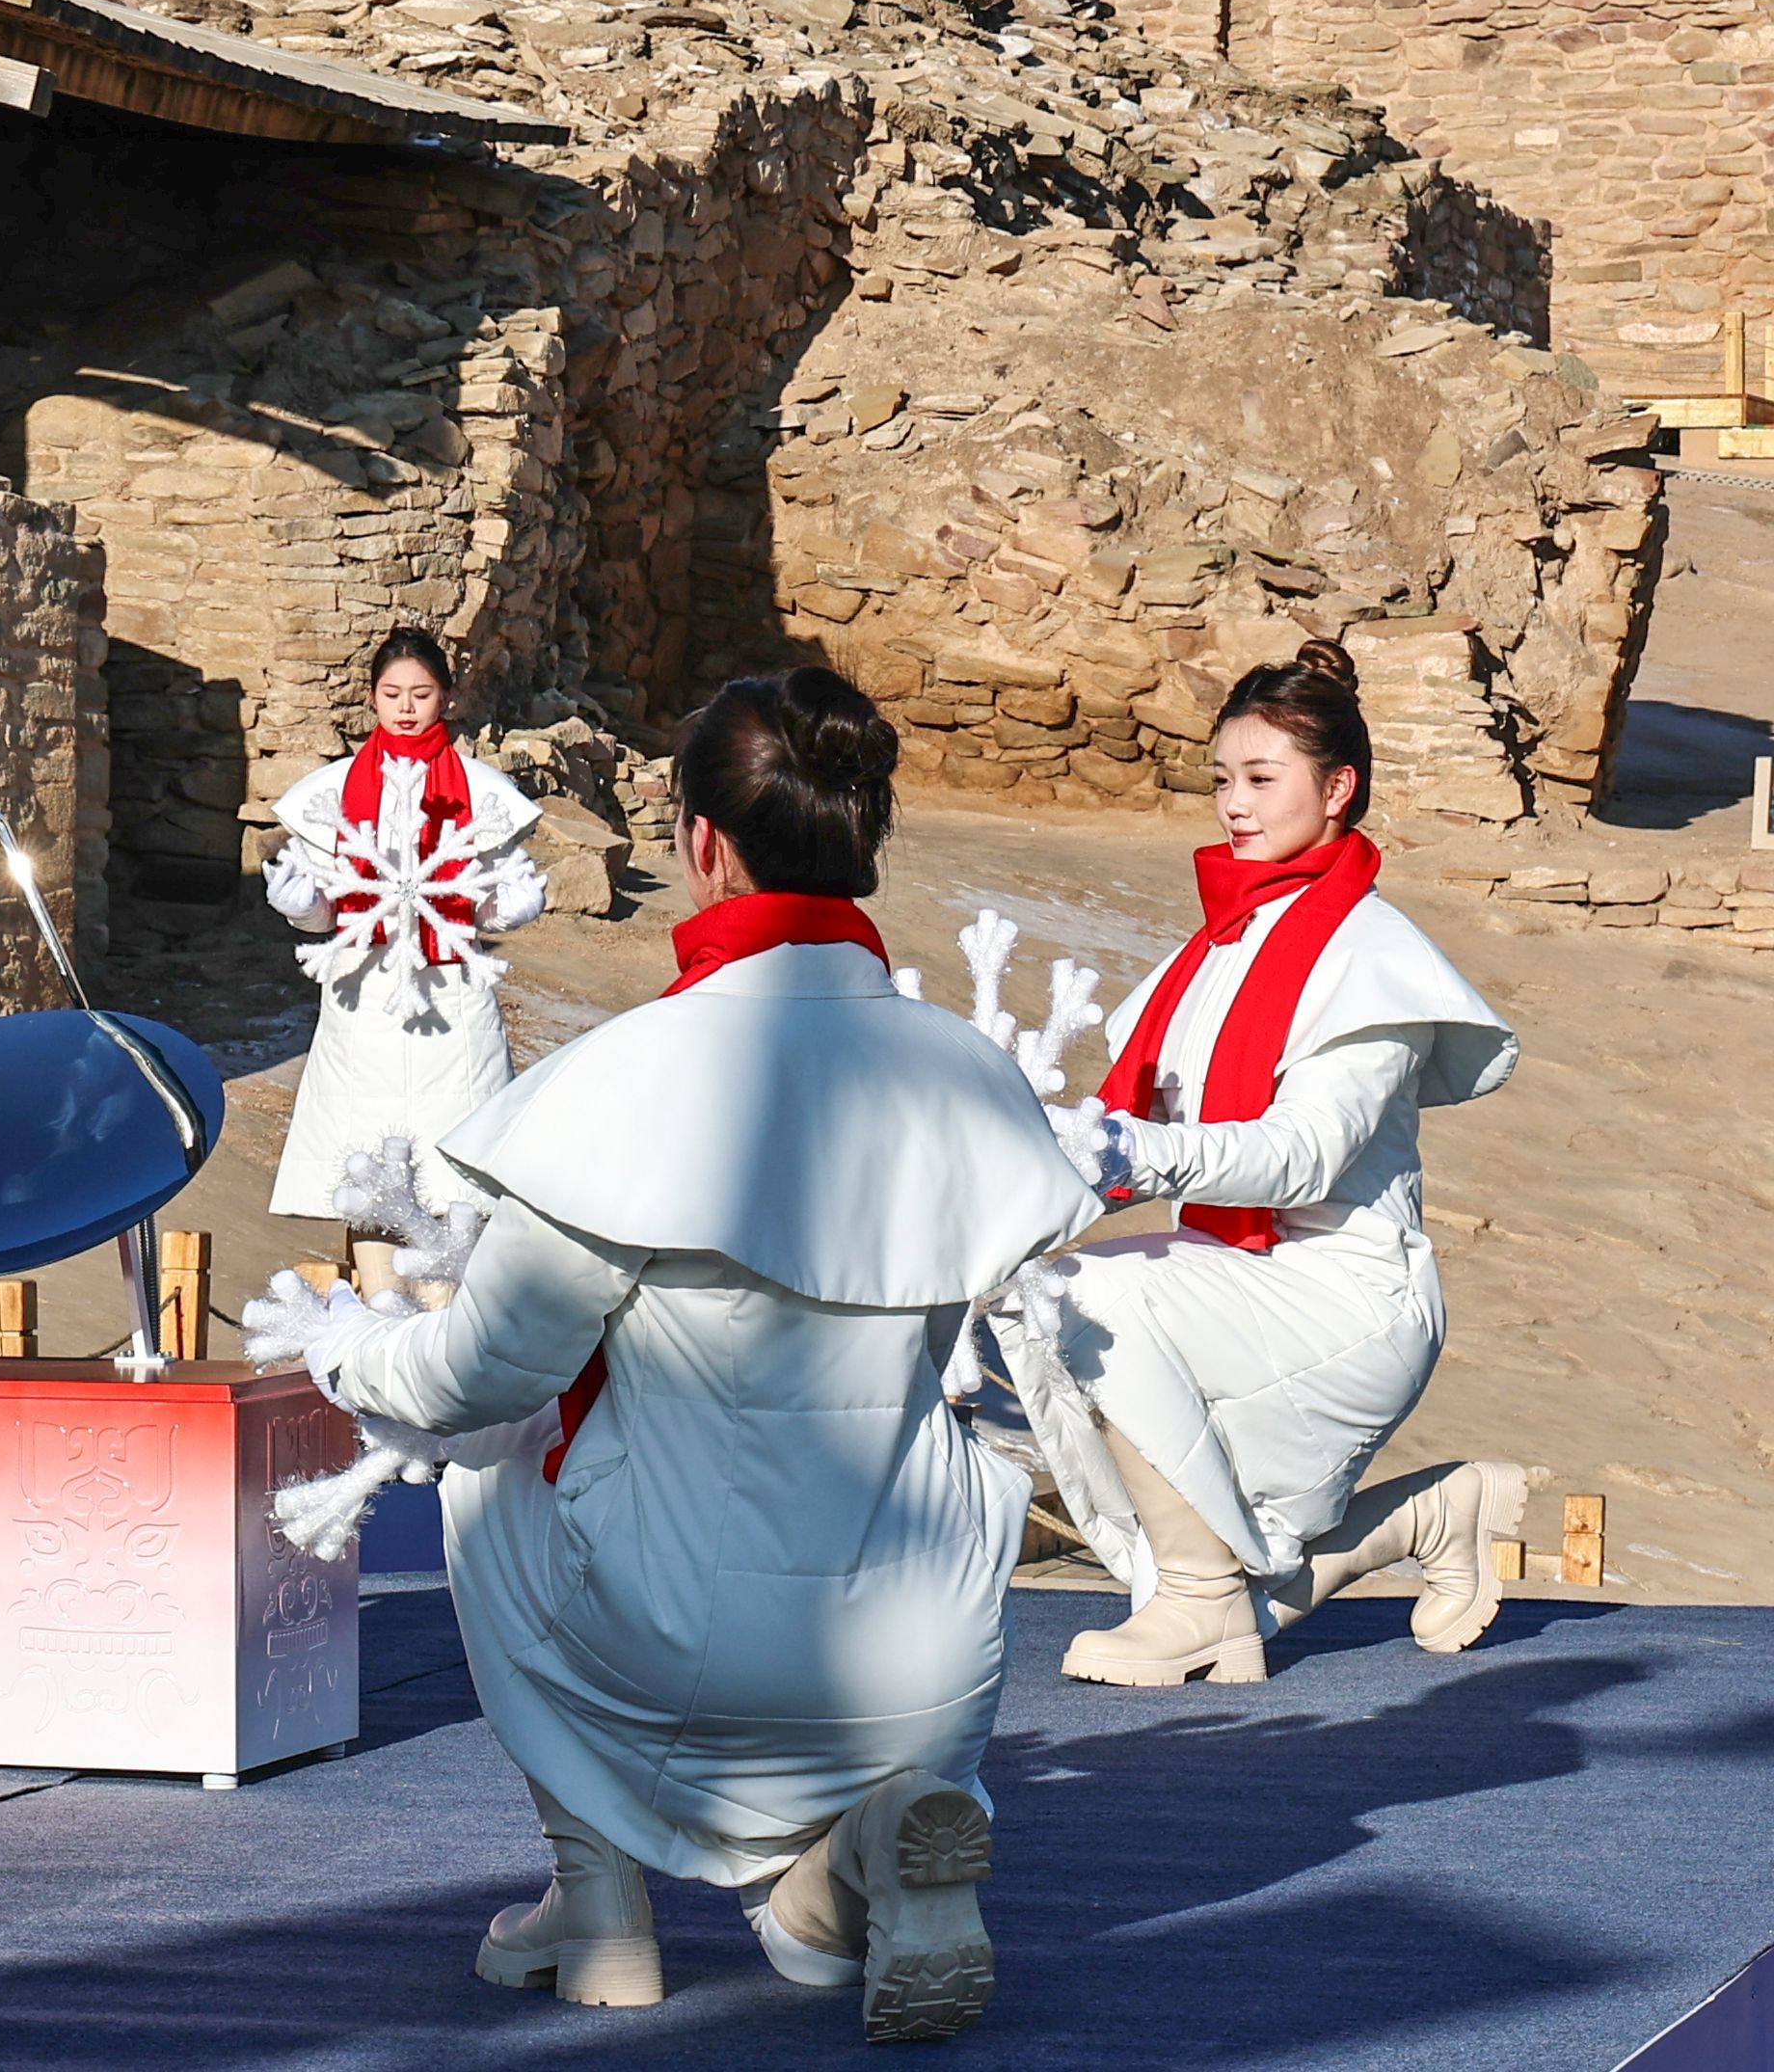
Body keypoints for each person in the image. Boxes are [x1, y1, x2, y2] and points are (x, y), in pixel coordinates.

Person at [292, 666, 1101, 2042]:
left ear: (700, 841)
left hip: (685, 1642)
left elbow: (481, 1377)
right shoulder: (964, 1072)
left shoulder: (628, 1080)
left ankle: (599, 1907)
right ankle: (862, 1855)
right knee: (809, 1948)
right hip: (925, 1646)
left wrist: (346, 1347)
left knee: (493, 1460)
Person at [1019, 640, 1522, 1687]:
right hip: (1235, 1276)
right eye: (1221, 780)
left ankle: (1199, 1598)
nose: (1234, 806)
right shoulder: (1217, 947)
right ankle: (1423, 1517)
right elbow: (1124, 1126)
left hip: (1348, 1294)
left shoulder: (1374, 953)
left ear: (1338, 790)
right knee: (1033, 1291)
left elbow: (1303, 1158)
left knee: (1089, 1296)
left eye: (1261, 778)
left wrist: (1125, 1151)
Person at [263, 630, 547, 1248]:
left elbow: (480, 909)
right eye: (393, 694)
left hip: (453, 991)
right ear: (372, 698)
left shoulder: (482, 793)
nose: (407, 707)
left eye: (421, 693)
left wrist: (510, 910)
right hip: (363, 987)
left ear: (446, 697)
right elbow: (327, 916)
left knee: (457, 1164)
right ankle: (371, 1287)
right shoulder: (332, 793)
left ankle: (448, 1293)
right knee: (360, 1155)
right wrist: (301, 908)